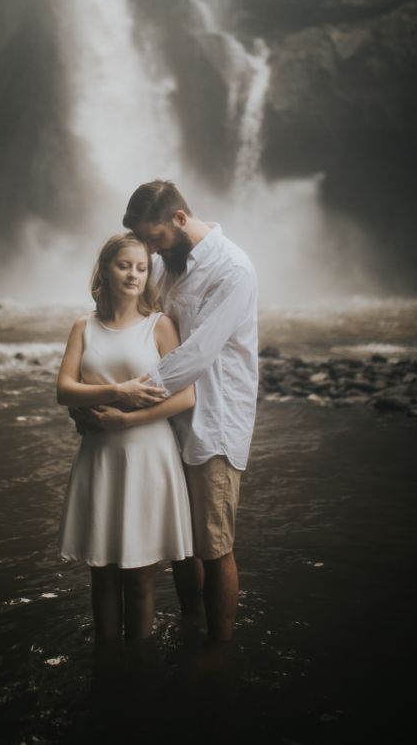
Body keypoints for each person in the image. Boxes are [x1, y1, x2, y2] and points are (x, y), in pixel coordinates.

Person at [119, 180, 259, 644]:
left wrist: (127, 395)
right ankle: (191, 629)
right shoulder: (168, 264)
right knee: (183, 545)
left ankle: (219, 650)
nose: (151, 251)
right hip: (170, 419)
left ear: (180, 219)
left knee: (214, 546)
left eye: (154, 238)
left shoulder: (232, 269)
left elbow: (197, 355)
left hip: (214, 423)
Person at [56, 232, 195, 641]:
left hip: (147, 454)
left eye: (141, 267)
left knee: (139, 577)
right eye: (124, 265)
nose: (133, 274)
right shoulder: (84, 326)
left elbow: (187, 395)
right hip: (100, 456)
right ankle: (108, 663)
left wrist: (129, 420)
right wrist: (118, 392)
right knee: (102, 574)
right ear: (105, 269)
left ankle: (139, 666)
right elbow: (63, 389)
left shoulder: (160, 326)